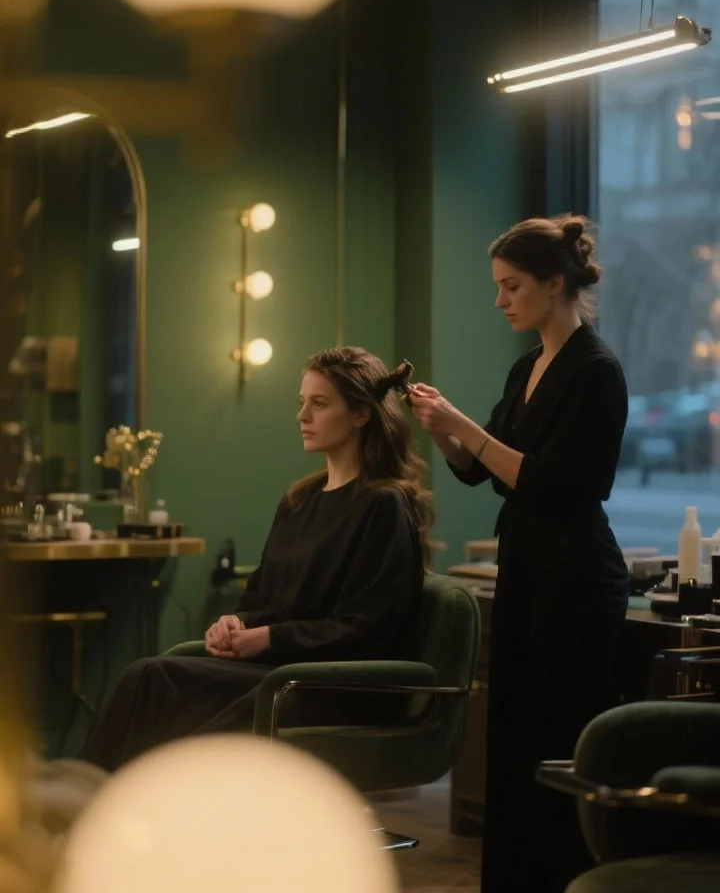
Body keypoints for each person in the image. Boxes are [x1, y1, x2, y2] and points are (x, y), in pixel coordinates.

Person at [80, 347, 432, 773]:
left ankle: (113, 802)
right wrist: (237, 623)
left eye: (319, 404)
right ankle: (87, 801)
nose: (302, 415)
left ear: (361, 414)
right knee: (148, 676)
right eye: (301, 402)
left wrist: (269, 638)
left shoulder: (383, 504)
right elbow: (262, 596)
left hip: (331, 684)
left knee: (175, 710)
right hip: (282, 671)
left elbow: (367, 629)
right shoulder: (300, 500)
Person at [409, 215, 629, 893]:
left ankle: (564, 880)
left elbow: (554, 480)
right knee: (512, 732)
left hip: (576, 576)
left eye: (512, 286)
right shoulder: (527, 366)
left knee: (556, 734)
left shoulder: (596, 371)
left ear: (555, 283)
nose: (499, 300)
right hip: (527, 568)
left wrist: (463, 426)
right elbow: (480, 469)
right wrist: (442, 428)